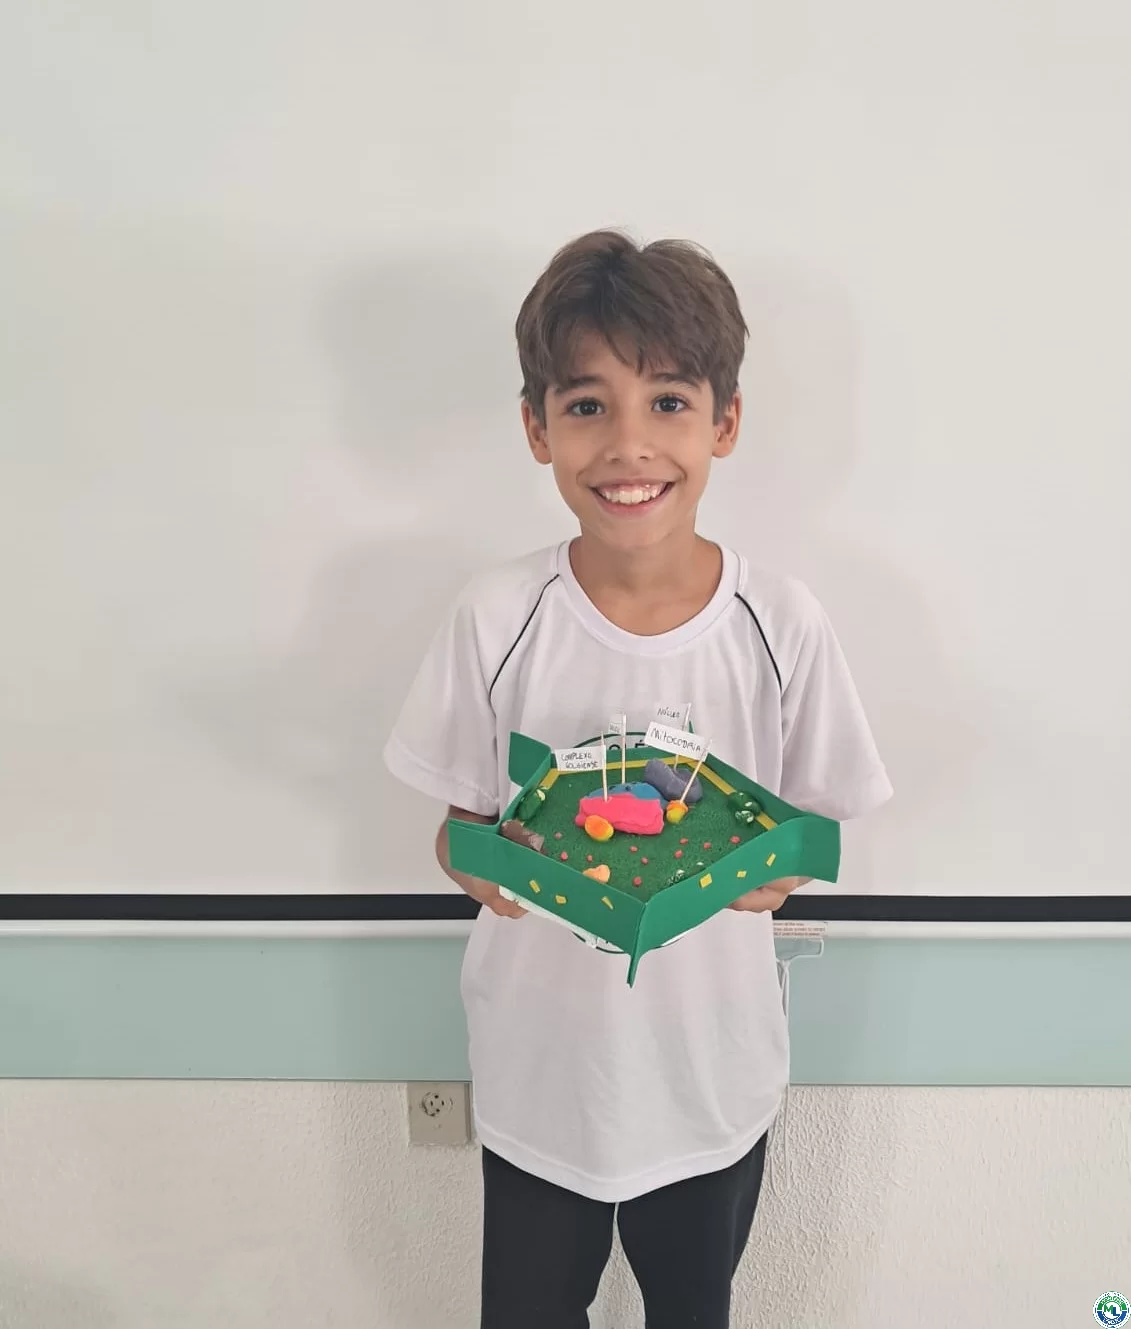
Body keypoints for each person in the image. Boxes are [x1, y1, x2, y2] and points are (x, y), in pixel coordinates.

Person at [383, 230, 892, 1328]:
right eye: (586, 405)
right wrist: (481, 862)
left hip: (710, 1078)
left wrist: (783, 868)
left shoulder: (780, 620)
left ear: (725, 422)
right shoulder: (496, 613)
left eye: (667, 402)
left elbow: (815, 827)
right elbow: (458, 826)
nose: (628, 445)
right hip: (538, 1077)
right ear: (537, 428)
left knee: (692, 1309)